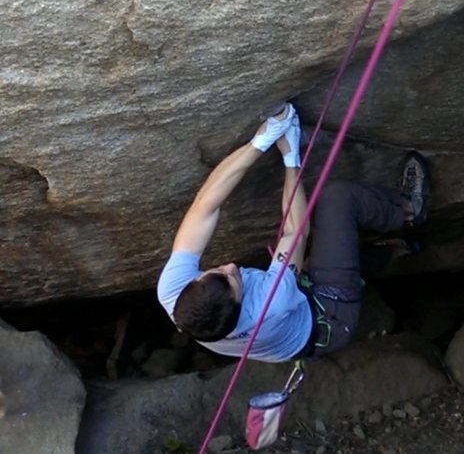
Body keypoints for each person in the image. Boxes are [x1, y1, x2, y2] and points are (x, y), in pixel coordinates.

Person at [156, 103, 430, 362]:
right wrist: (291, 157)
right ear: (240, 304)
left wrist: (261, 141)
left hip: (288, 323)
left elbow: (205, 206)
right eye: (232, 279)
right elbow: (295, 232)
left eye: (216, 272)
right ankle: (408, 212)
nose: (230, 266)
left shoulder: (172, 293)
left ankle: (394, 250)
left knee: (329, 252)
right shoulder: (270, 302)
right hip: (329, 315)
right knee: (337, 199)